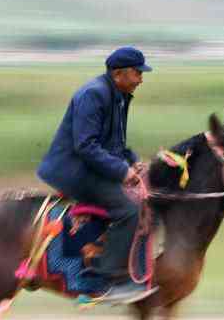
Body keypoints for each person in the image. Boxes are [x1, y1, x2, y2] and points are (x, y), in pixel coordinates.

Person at [36, 47, 158, 304]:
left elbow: (116, 145)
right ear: (118, 73)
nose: (141, 79)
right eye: (137, 73)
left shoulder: (119, 96)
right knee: (129, 210)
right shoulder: (94, 95)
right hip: (74, 171)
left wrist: (134, 162)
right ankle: (108, 278)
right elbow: (85, 146)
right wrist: (121, 171)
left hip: (91, 166)